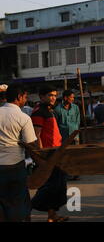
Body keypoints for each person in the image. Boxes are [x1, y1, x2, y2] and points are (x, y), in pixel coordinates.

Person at [0, 84, 38, 222]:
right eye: (25, 97)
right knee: (18, 202)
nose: (25, 100)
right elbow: (31, 143)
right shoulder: (23, 117)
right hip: (15, 165)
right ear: (18, 97)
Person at [30, 85, 68, 222]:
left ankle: (52, 215)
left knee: (57, 185)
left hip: (56, 152)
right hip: (48, 155)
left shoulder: (48, 110)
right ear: (41, 97)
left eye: (54, 95)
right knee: (50, 186)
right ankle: (28, 207)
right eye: (50, 95)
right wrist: (41, 156)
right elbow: (36, 135)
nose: (53, 98)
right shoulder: (39, 112)